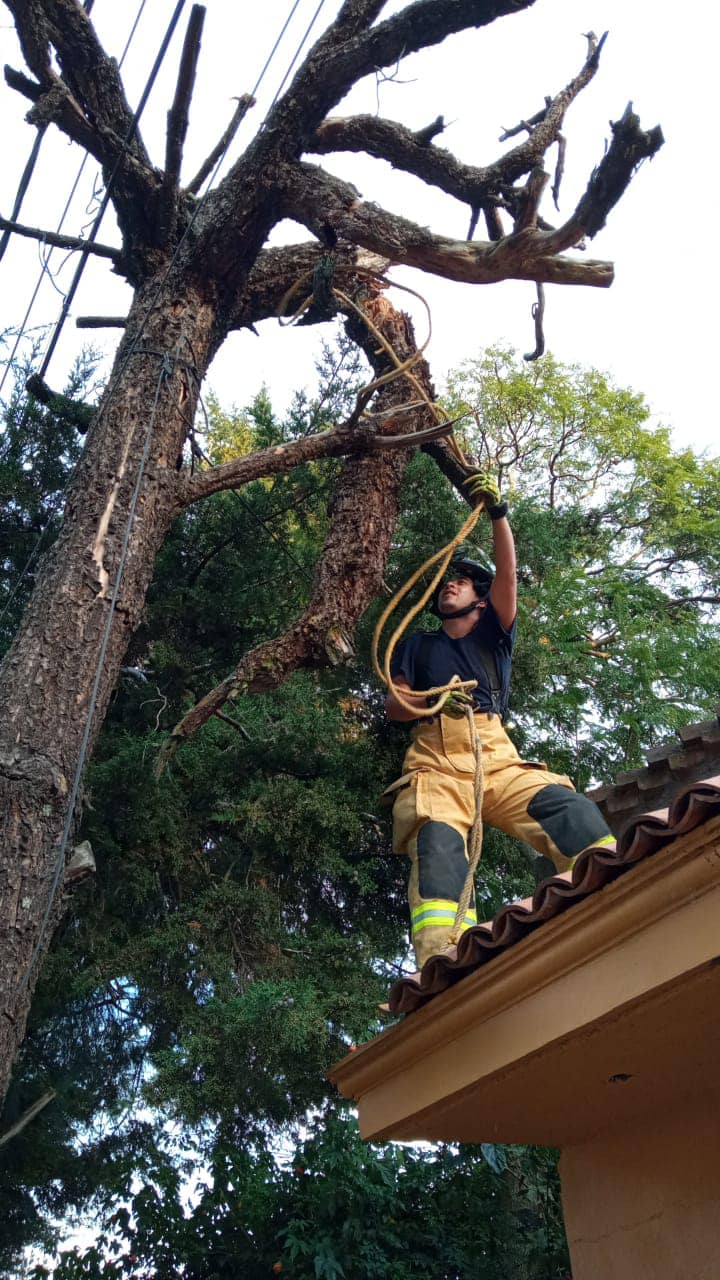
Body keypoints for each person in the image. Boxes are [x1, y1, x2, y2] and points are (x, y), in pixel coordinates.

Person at [384, 473, 616, 971]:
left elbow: (508, 575)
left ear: (481, 599)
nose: (450, 584)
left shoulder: (494, 633)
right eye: (447, 582)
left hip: (495, 755)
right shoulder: (417, 644)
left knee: (567, 809)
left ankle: (614, 893)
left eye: (461, 581)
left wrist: (498, 513)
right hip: (434, 760)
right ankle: (444, 963)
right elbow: (394, 706)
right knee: (439, 851)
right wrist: (431, 702)